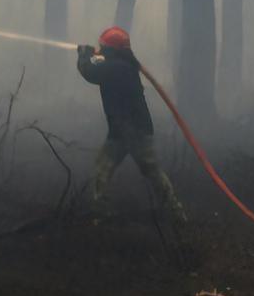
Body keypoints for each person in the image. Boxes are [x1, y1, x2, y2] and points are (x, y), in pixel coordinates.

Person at [77, 26, 186, 223]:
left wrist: (84, 55)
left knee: (148, 172)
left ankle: (175, 213)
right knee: (104, 169)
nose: (100, 48)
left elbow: (89, 72)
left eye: (103, 46)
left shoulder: (116, 67)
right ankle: (100, 213)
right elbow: (100, 65)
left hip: (132, 132)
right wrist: (93, 56)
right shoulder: (124, 65)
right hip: (124, 131)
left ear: (112, 50)